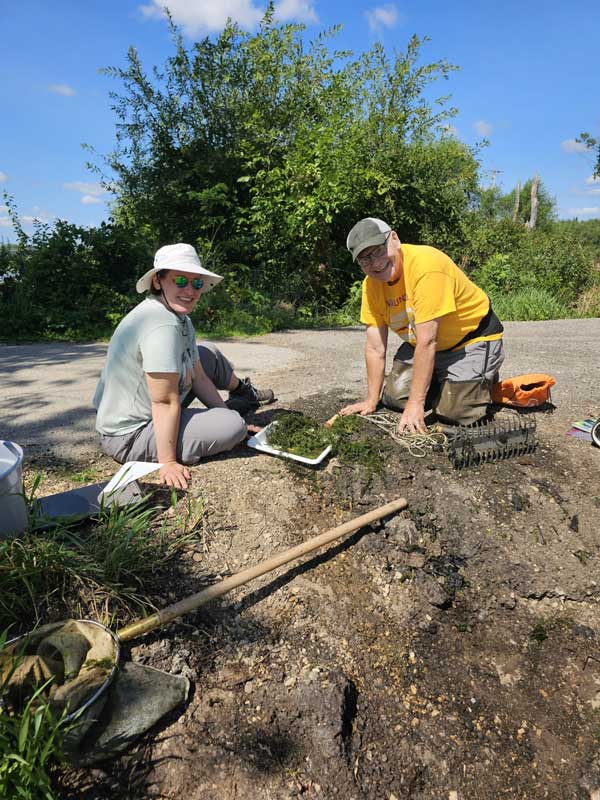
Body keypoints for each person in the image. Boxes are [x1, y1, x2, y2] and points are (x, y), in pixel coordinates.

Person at [93, 243, 274, 489]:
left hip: (149, 409)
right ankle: (231, 414)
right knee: (234, 428)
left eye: (197, 283)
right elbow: (164, 401)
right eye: (180, 281)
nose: (190, 290)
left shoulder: (180, 319)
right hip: (129, 435)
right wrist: (167, 462)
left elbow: (198, 377)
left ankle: (241, 396)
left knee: (206, 354)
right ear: (158, 281)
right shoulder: (161, 325)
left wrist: (225, 413)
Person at [340, 218, 504, 432]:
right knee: (394, 398)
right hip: (421, 344)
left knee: (456, 412)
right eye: (364, 259)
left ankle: (481, 381)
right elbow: (374, 347)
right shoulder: (371, 286)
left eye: (378, 251)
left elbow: (428, 341)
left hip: (471, 340)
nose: (375, 263)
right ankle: (444, 382)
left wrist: (416, 404)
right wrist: (371, 401)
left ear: (395, 239)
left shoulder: (426, 266)